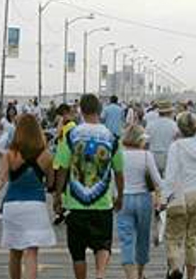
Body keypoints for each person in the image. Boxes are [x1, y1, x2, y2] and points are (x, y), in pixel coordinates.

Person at [53, 94, 125, 279]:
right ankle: (100, 274)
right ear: (100, 111)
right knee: (103, 244)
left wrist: (57, 195)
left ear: (81, 110)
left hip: (75, 204)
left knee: (77, 252)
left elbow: (62, 168)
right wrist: (120, 196)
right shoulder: (111, 137)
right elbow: (118, 171)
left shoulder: (72, 135)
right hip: (102, 203)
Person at [0, 114, 56, 279]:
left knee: (15, 252)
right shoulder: (46, 155)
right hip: (35, 207)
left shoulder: (11, 154)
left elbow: (0, 178)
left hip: (12, 206)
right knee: (31, 253)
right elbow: (51, 183)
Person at [162, 112, 196, 279]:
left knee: (173, 236)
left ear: (179, 128)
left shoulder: (176, 146)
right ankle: (191, 276)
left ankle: (174, 268)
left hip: (180, 195)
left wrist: (164, 199)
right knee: (194, 239)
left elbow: (171, 175)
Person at [117, 125, 162, 279]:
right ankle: (141, 273)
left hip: (123, 199)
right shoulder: (146, 155)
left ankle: (131, 276)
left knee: (126, 240)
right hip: (143, 199)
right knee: (143, 238)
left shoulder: (119, 155)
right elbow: (157, 181)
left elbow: (111, 179)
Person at [145, 100, 178, 175]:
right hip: (168, 155)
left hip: (153, 154)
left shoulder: (150, 125)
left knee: (154, 181)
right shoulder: (174, 125)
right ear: (170, 112)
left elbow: (145, 142)